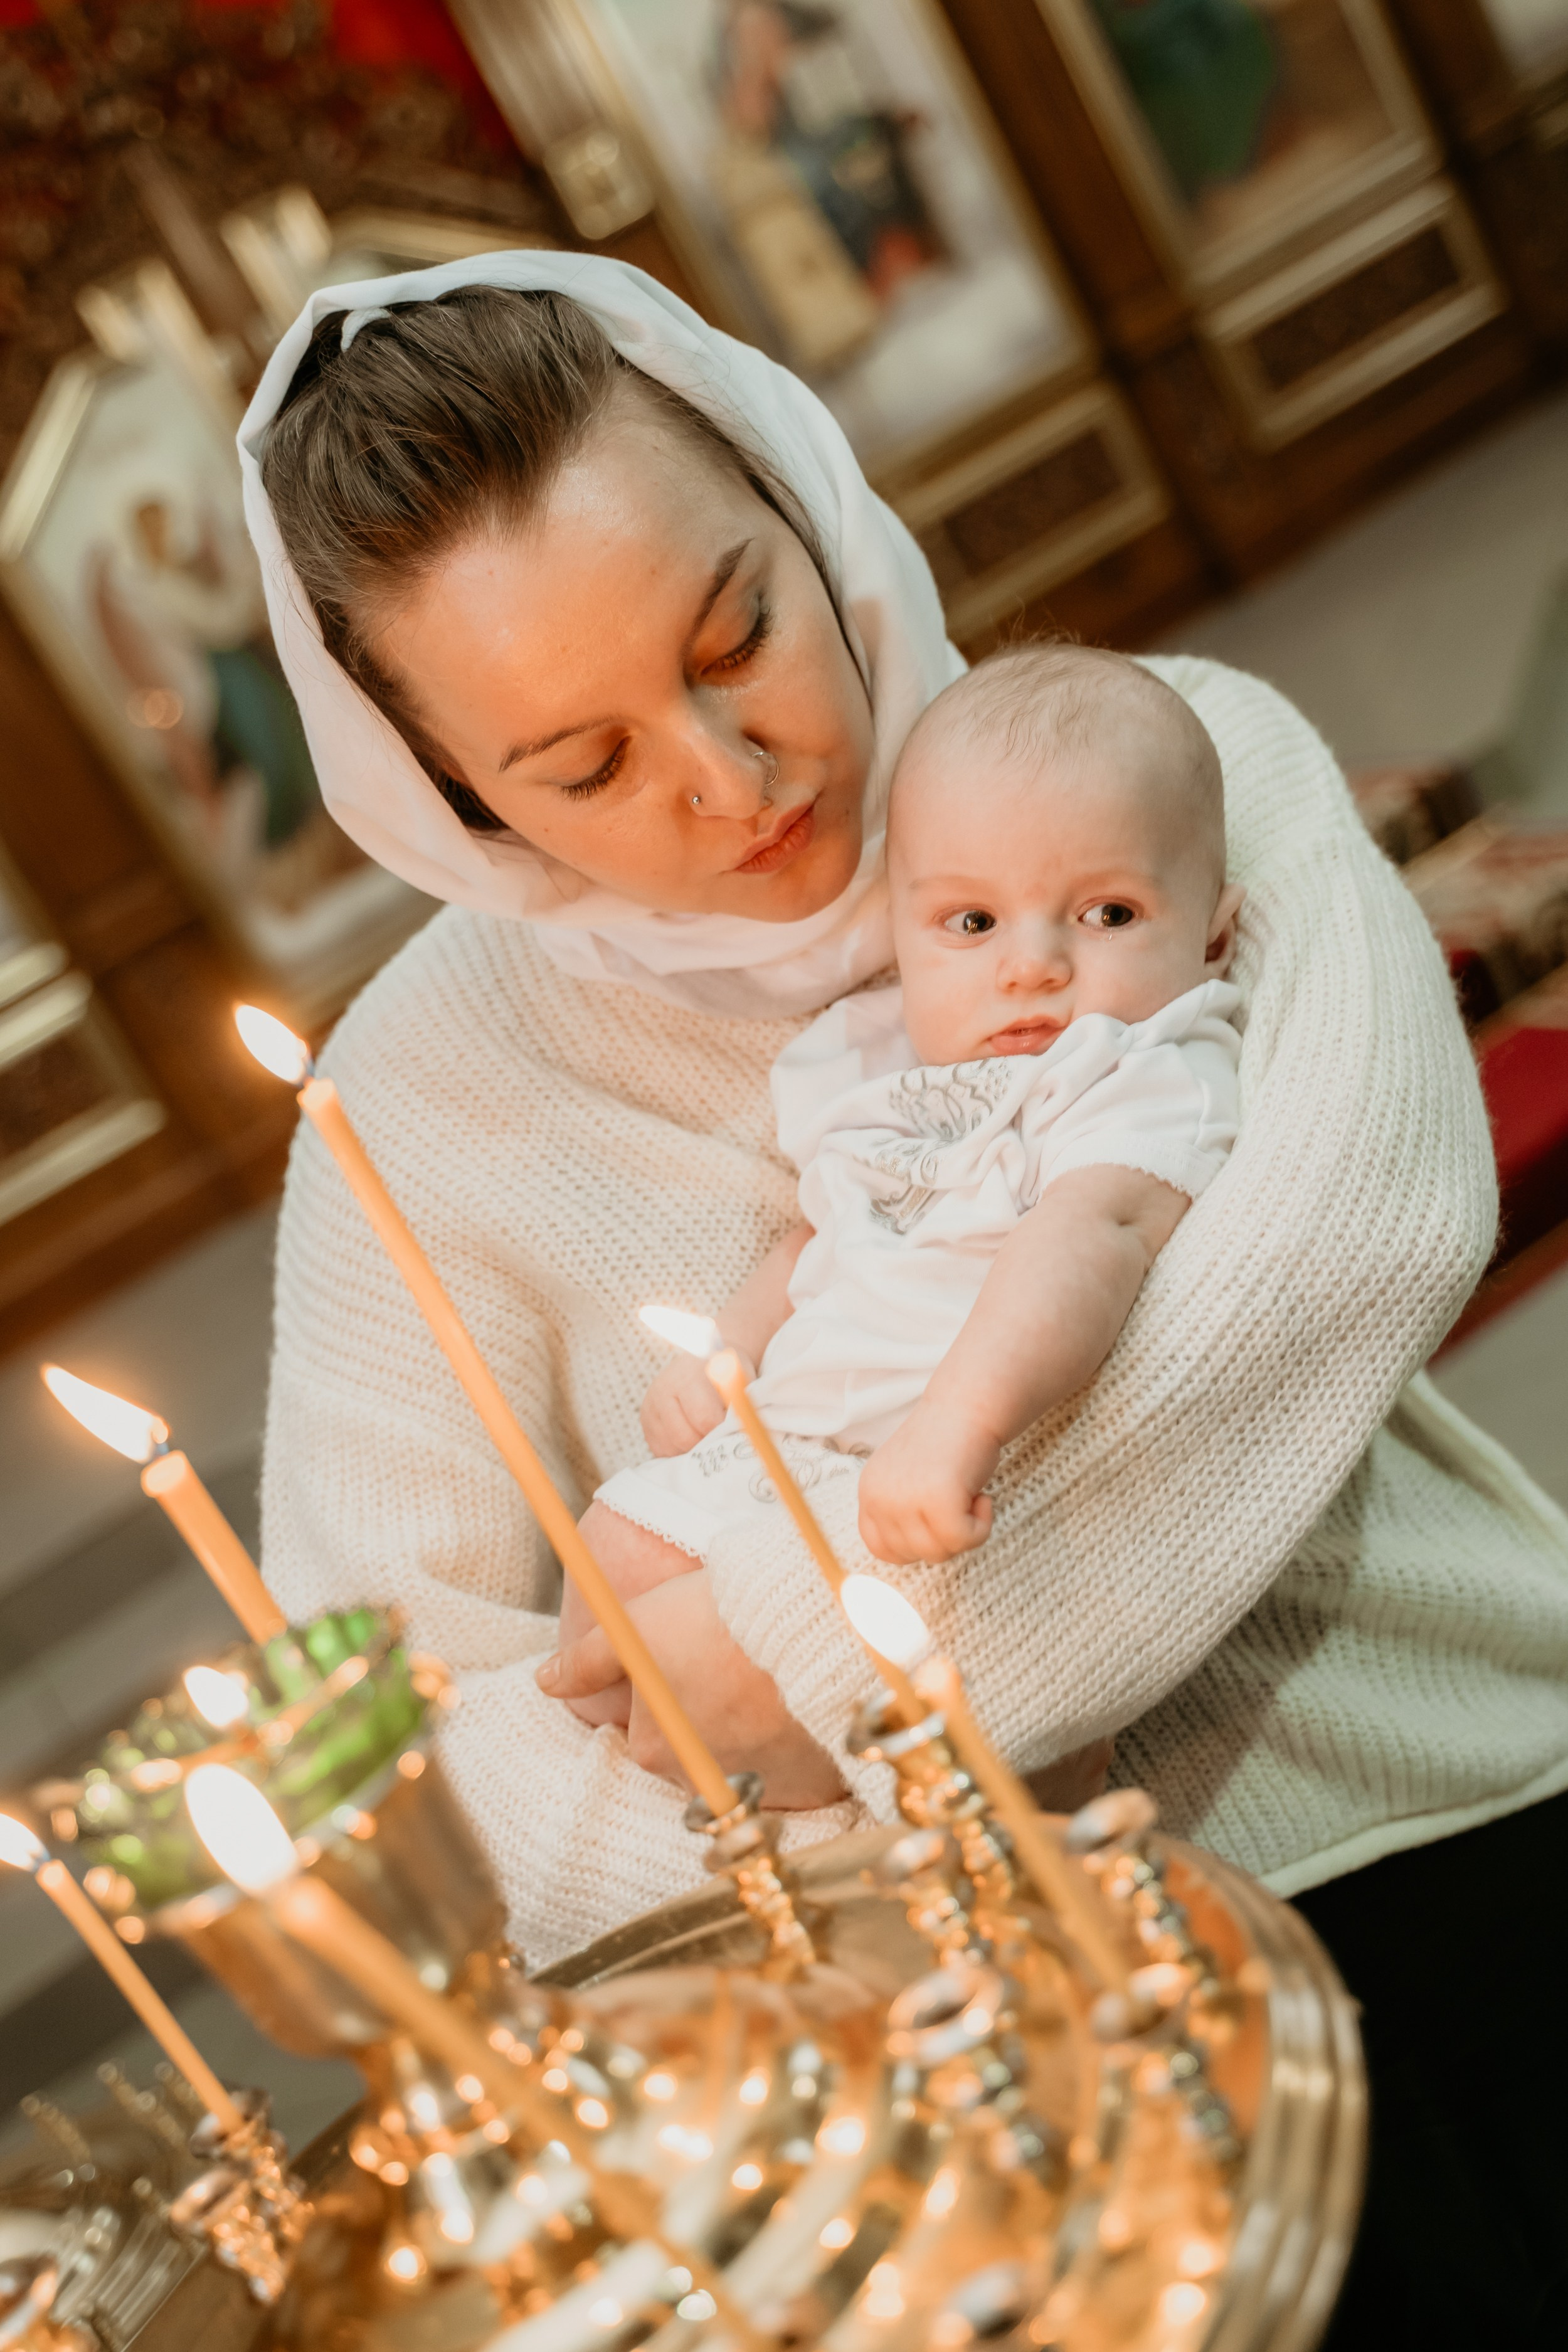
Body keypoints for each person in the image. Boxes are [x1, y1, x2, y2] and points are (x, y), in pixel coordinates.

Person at [244, 253, 1568, 2348]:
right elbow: (403, 1753)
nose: (728, 777)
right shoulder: (415, 1114)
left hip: (1450, 1795)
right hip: (985, 2073)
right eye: (582, 762)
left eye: (734, 637)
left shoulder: (1162, 767)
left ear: (805, 499)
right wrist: (834, 1844)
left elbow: (1343, 1253)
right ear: (457, 802)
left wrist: (809, 1655)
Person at [579, 645, 1244, 1703]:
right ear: (902, 936)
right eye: (972, 923)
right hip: (784, 1431)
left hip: (916, 1454)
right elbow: (822, 1233)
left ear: (1215, 935)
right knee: (607, 1567)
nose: (1031, 966)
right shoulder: (879, 1061)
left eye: (1108, 914)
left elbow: (1091, 1235)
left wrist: (960, 1425)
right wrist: (728, 1351)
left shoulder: (1137, 1072)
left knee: (729, 1662)